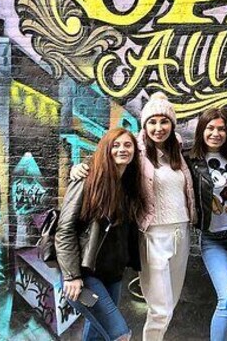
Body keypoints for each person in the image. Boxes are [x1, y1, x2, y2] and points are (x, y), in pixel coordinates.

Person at [70, 92, 197, 341]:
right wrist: (81, 167)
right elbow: (108, 159)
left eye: (164, 121)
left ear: (172, 125)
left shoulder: (179, 153)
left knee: (170, 306)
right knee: (160, 309)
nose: (158, 128)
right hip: (152, 235)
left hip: (181, 234)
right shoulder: (136, 151)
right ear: (144, 125)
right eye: (152, 122)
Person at [56, 128, 144, 341]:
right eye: (116, 145)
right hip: (84, 279)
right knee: (119, 334)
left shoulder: (129, 185)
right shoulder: (87, 179)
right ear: (106, 149)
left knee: (97, 335)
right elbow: (65, 229)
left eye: (128, 145)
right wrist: (72, 276)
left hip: (112, 275)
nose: (122, 149)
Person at [186, 108, 227, 341]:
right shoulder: (189, 160)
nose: (216, 133)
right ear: (202, 130)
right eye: (210, 128)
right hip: (212, 240)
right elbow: (151, 160)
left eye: (221, 129)